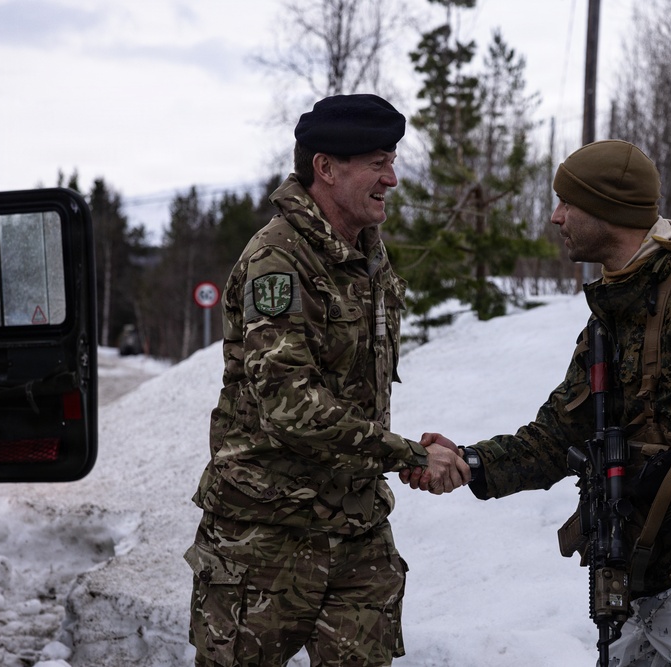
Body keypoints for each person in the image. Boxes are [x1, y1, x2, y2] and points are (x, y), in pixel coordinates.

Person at [402, 139, 671, 666]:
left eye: (566, 203)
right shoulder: (611, 312)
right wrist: (471, 462)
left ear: (607, 210)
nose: (556, 217)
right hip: (636, 588)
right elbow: (559, 434)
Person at [184, 93, 470, 667]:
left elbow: (356, 390)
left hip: (357, 530)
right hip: (265, 537)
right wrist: (407, 453)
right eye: (377, 164)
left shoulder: (369, 256)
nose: (392, 179)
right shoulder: (278, 260)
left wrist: (402, 454)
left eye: (393, 162)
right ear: (326, 168)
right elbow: (289, 405)